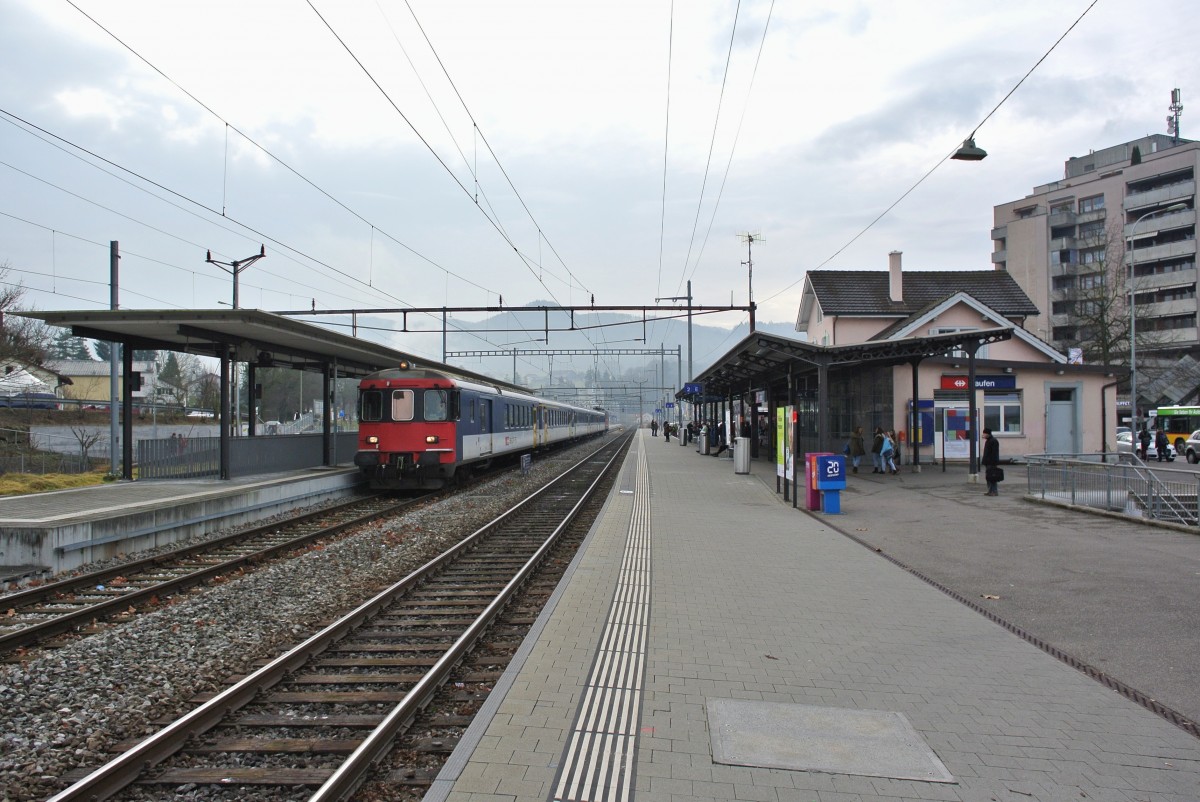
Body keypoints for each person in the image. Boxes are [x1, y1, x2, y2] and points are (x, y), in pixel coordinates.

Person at [981, 427, 1000, 496]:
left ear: (988, 434)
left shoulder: (993, 441)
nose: (983, 435)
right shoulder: (988, 441)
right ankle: (990, 491)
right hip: (988, 462)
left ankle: (994, 491)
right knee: (988, 477)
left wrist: (993, 462)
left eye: (984, 433)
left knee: (992, 477)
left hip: (991, 463)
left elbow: (994, 453)